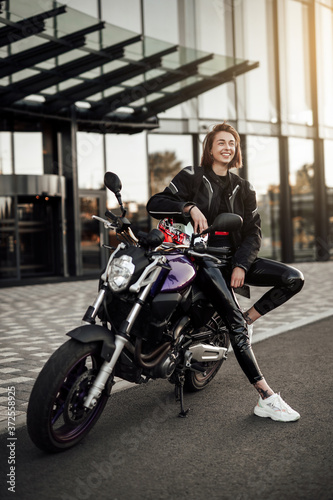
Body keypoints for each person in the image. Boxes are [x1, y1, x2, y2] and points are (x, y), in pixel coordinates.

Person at [146, 122, 304, 422]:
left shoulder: (243, 187)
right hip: (201, 259)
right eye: (221, 142)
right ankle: (266, 397)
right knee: (234, 326)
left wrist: (242, 265)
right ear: (210, 147)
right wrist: (189, 208)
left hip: (233, 259)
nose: (227, 147)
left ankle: (248, 318)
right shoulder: (192, 175)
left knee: (293, 278)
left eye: (232, 142)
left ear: (237, 150)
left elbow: (253, 233)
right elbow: (156, 203)